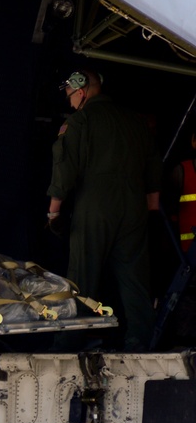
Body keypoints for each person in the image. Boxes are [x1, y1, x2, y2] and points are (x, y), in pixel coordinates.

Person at [46, 69, 161, 351]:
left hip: (94, 206)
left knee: (82, 276)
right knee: (135, 279)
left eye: (71, 96)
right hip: (134, 207)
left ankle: (69, 344)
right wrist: (151, 208)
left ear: (82, 91)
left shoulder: (80, 121)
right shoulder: (135, 121)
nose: (70, 102)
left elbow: (64, 170)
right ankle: (140, 342)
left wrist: (54, 212)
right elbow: (153, 168)